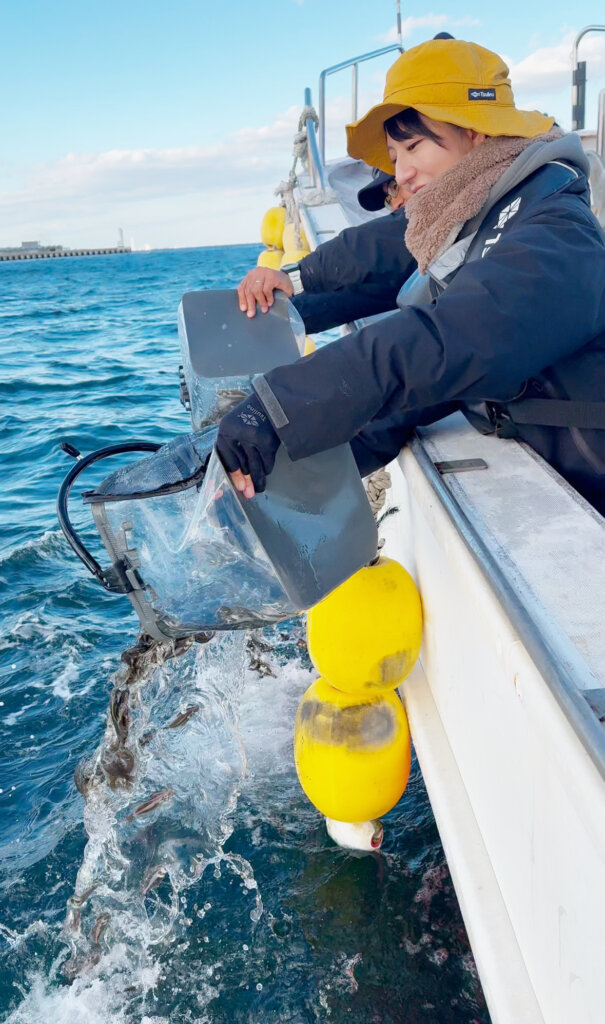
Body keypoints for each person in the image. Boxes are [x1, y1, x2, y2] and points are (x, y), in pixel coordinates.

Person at [217, 38, 605, 515]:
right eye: (393, 155)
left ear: (476, 132)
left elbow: (451, 340)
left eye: (413, 146)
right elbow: (390, 257)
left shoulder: (559, 236)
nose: (400, 174)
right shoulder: (479, 212)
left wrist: (278, 407)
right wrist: (290, 298)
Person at [239, 173, 412, 336]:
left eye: (395, 187)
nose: (395, 204)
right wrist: (271, 313)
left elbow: (375, 244)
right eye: (389, 200)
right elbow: (348, 298)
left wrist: (296, 275)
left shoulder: (423, 226)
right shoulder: (410, 269)